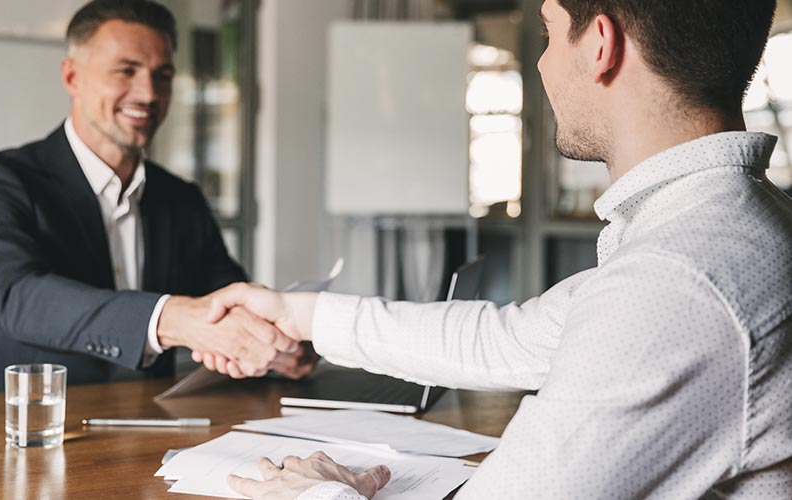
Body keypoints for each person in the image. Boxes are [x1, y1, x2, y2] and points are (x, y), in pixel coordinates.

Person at [196, 0, 792, 498]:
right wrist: (299, 315)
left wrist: (314, 492)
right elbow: (513, 339)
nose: (542, 61)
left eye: (549, 32)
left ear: (601, 45)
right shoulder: (720, 222)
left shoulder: (681, 278)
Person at [0, 0, 314, 394]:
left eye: (163, 76)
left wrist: (275, 345)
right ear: (72, 77)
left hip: (154, 420)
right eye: (126, 71)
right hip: (21, 424)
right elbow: (17, 296)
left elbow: (227, 296)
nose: (148, 93)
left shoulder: (182, 198)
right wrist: (171, 318)